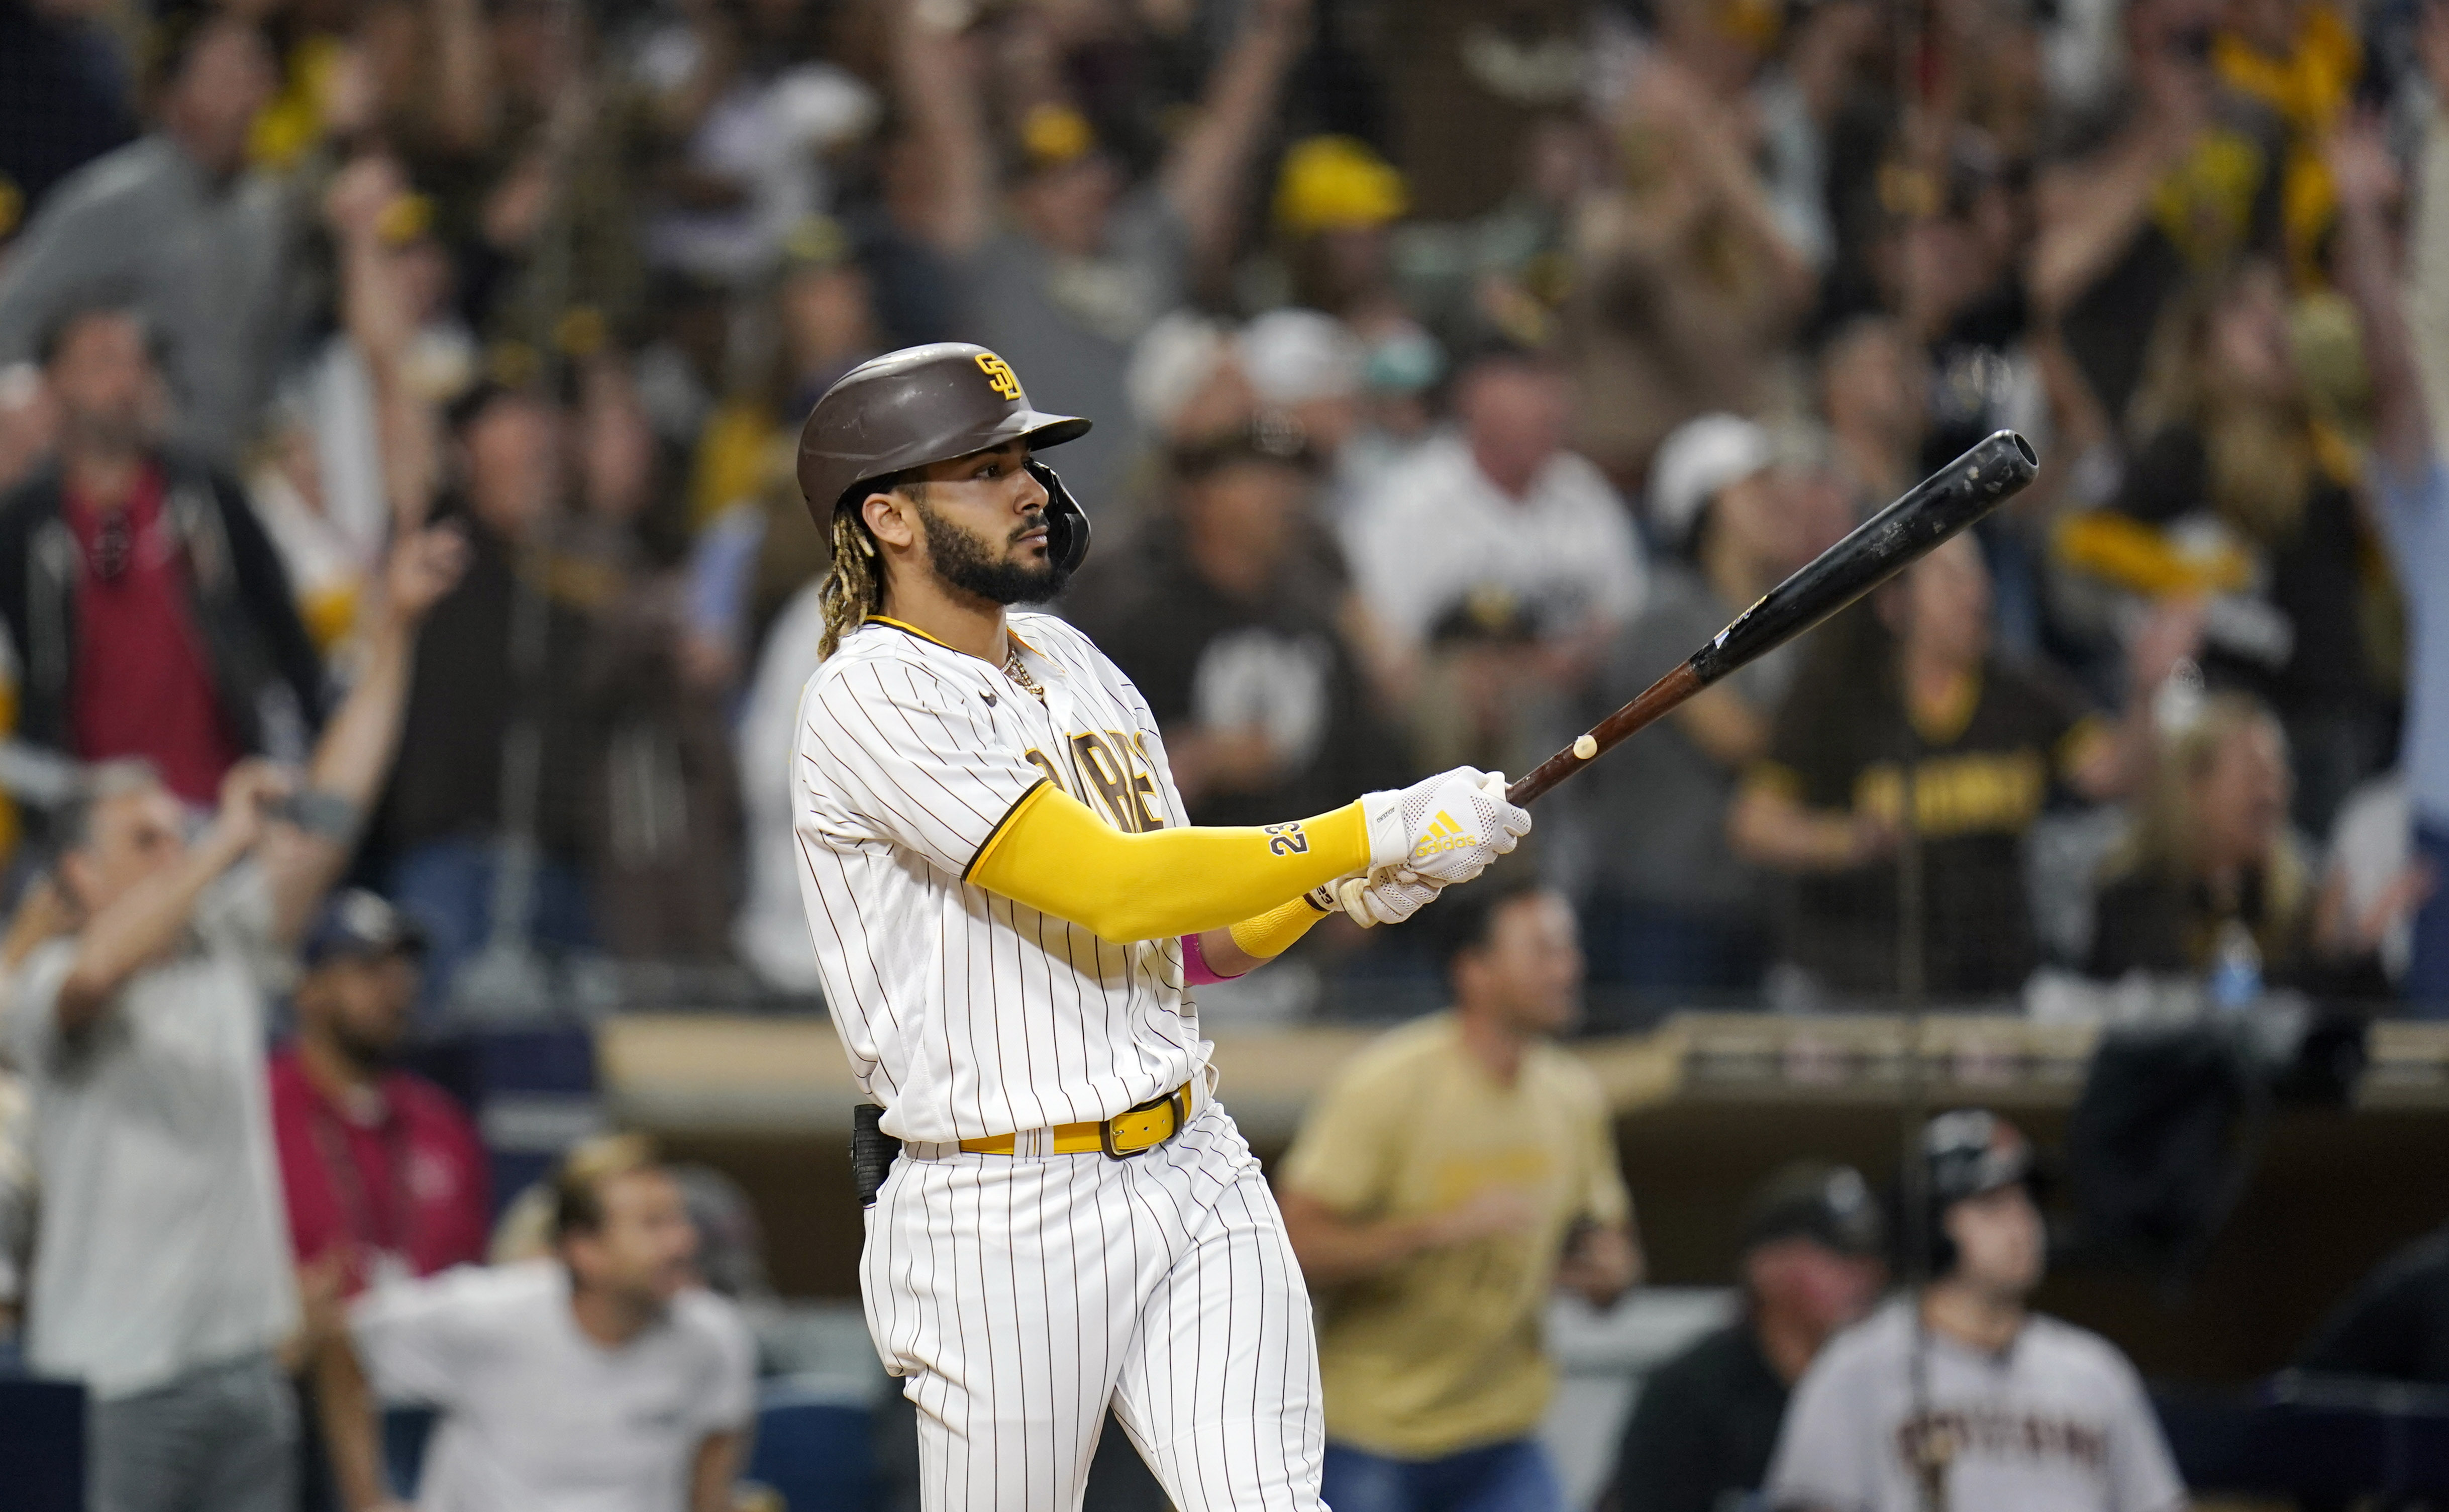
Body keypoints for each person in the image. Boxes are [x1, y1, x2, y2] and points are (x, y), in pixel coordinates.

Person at [790, 341, 1533, 1509]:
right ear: (887, 514)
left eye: (1026, 459)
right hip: (1003, 1205)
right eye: (986, 467)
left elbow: (1184, 945)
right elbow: (1115, 886)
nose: (1031, 486)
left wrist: (1341, 888)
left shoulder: (1077, 661)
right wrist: (1360, 833)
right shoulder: (871, 691)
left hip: (1193, 1160)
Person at [2, 523, 465, 1512]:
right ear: (79, 870)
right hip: (113, 1377)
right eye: (146, 836)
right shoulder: (37, 982)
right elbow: (96, 975)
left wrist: (392, 630)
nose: (176, 844)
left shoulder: (219, 946)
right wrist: (219, 849)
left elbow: (334, 813)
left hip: (245, 1370)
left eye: (180, 827)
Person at [1277, 876, 1641, 1512]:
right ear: (1473, 970)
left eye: (1569, 949)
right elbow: (1290, 1249)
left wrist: (1613, 1274)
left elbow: (1612, 1247)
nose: (1569, 968)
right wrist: (1433, 1231)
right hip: (1371, 1434)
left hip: (1503, 1435)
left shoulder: (1572, 1097)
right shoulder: (1386, 1085)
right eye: (1543, 950)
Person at [1728, 535, 2190, 998]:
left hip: (1993, 979)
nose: (1977, 592)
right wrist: (1848, 840)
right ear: (1896, 604)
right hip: (1855, 980)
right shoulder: (1838, 699)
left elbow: (2113, 775)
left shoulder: (2020, 690)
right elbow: (1755, 823)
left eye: (1978, 575)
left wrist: (2147, 691)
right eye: (1951, 579)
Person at [1763, 1110, 2186, 1512]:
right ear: (1932, 1226)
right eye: (1993, 1205)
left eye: (2027, 1202)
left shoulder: (2096, 1371)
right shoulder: (1856, 1367)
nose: (2023, 1223)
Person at [316, 1134, 755, 1512]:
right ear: (586, 1250)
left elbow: (713, 1476)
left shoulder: (716, 1336)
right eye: (653, 1225)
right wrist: (366, 1500)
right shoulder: (484, 1314)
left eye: (679, 1219)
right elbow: (345, 1340)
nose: (684, 1241)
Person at [0, 305, 327, 807]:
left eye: (138, 362)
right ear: (55, 383)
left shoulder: (203, 496)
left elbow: (281, 628)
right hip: (96, 822)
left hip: (221, 799)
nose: (126, 381)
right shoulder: (28, 524)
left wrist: (316, 752)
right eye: (103, 362)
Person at [1578, 414, 1845, 992]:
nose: (1780, 503)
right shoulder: (1666, 616)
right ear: (1704, 504)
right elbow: (1739, 738)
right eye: (1755, 488)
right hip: (1658, 910)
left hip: (1748, 903)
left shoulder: (1784, 621)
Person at [1068, 427, 1406, 827]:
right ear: (1196, 496)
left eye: (1289, 479)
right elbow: (1083, 786)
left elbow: (1368, 770)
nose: (1280, 496)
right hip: (1186, 866)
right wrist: (1197, 763)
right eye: (1254, 478)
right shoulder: (1134, 622)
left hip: (1316, 870)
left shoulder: (1317, 622)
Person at [0, 12, 294, 465]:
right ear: (171, 95)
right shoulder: (111, 201)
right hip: (127, 473)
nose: (245, 97)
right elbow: (12, 321)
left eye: (255, 74)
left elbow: (272, 355)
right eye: (224, 76)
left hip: (230, 470)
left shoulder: (269, 210)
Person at [1343, 345, 1647, 771]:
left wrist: (1549, 666)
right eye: (1531, 390)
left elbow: (1628, 618)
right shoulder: (1410, 500)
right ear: (1476, 400)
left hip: (1571, 697)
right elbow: (1387, 654)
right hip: (1449, 712)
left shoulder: (1583, 490)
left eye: (1554, 393)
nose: (1551, 408)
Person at [1607, 1162, 1888, 1512]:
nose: (1862, 1275)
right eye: (1838, 1257)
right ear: (1766, 1266)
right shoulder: (1692, 1391)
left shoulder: (1881, 1382)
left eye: (1869, 1256)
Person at [2086, 691, 2399, 993]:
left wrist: (2347, 958)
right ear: (2196, 788)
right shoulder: (2131, 902)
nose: (2274, 792)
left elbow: (2347, 1022)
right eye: (2256, 773)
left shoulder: (2305, 904)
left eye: (2279, 774)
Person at [269, 888, 491, 1293]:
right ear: (309, 988)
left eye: (406, 967)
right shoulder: (259, 1111)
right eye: (369, 967)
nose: (397, 985)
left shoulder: (444, 1126)